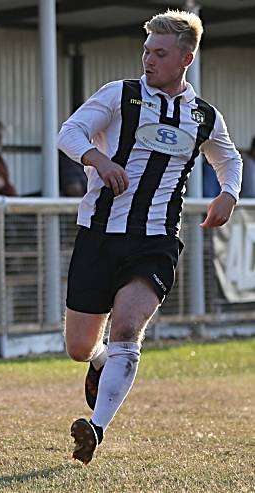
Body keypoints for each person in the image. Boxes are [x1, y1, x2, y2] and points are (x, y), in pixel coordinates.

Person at [57, 9, 242, 465]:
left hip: (155, 241)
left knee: (126, 331)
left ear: (186, 58)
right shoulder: (120, 96)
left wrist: (228, 194)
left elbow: (229, 159)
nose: (148, 60)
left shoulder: (203, 116)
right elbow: (70, 131)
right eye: (146, 51)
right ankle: (100, 364)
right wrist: (98, 161)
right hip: (99, 235)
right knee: (80, 347)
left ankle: (95, 429)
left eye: (160, 53)